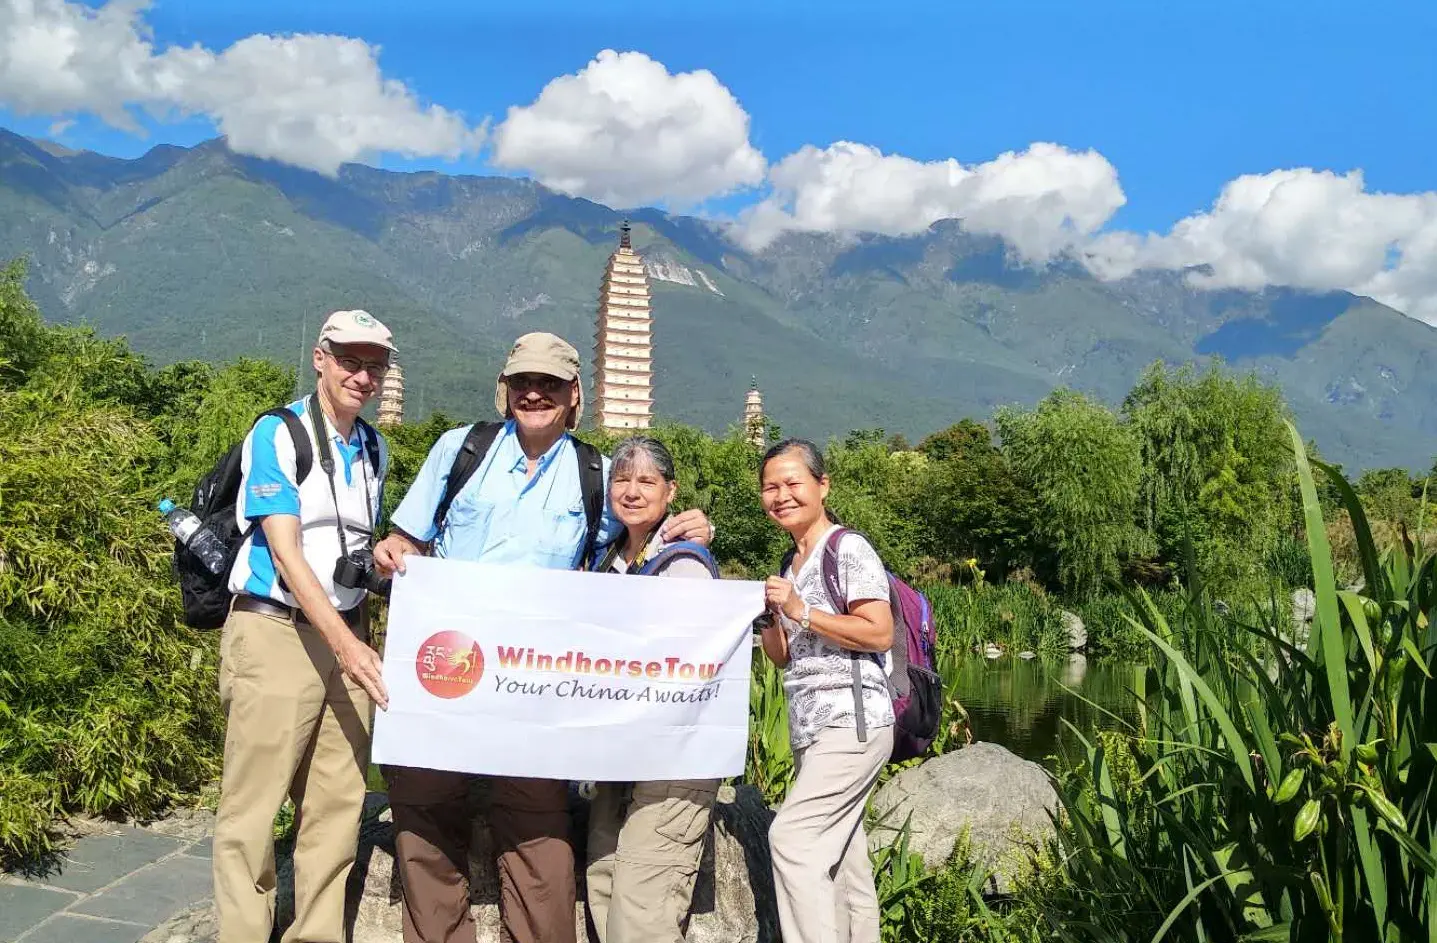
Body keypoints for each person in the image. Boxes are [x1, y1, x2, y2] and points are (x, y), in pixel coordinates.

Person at [371, 333, 714, 943]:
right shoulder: (461, 450)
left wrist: (687, 526)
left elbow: (638, 535)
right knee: (423, 813)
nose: (535, 393)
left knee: (539, 832)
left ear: (574, 395)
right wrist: (394, 552)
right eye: (523, 382)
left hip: (533, 688)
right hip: (446, 668)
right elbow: (407, 539)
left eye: (550, 384)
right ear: (503, 390)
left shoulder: (595, 474)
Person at [212, 309, 396, 943]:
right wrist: (351, 646)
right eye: (350, 360)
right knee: (252, 809)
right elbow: (286, 552)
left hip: (346, 632)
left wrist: (385, 563)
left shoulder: (375, 447)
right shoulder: (279, 433)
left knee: (337, 806)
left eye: (376, 365)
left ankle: (315, 934)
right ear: (321, 357)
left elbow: (346, 544)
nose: (363, 376)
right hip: (275, 631)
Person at [757, 438, 895, 943]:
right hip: (810, 730)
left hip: (852, 722)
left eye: (793, 483)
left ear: (822, 485)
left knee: (792, 840)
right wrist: (769, 622)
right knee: (842, 861)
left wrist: (801, 611)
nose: (781, 495)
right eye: (770, 487)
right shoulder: (788, 563)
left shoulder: (847, 548)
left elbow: (879, 631)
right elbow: (785, 658)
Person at [583, 436, 720, 943]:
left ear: (671, 491)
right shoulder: (606, 559)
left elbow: (689, 658)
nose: (632, 491)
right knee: (603, 887)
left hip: (669, 761)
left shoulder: (682, 561)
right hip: (615, 759)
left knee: (642, 914)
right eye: (622, 479)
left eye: (647, 481)